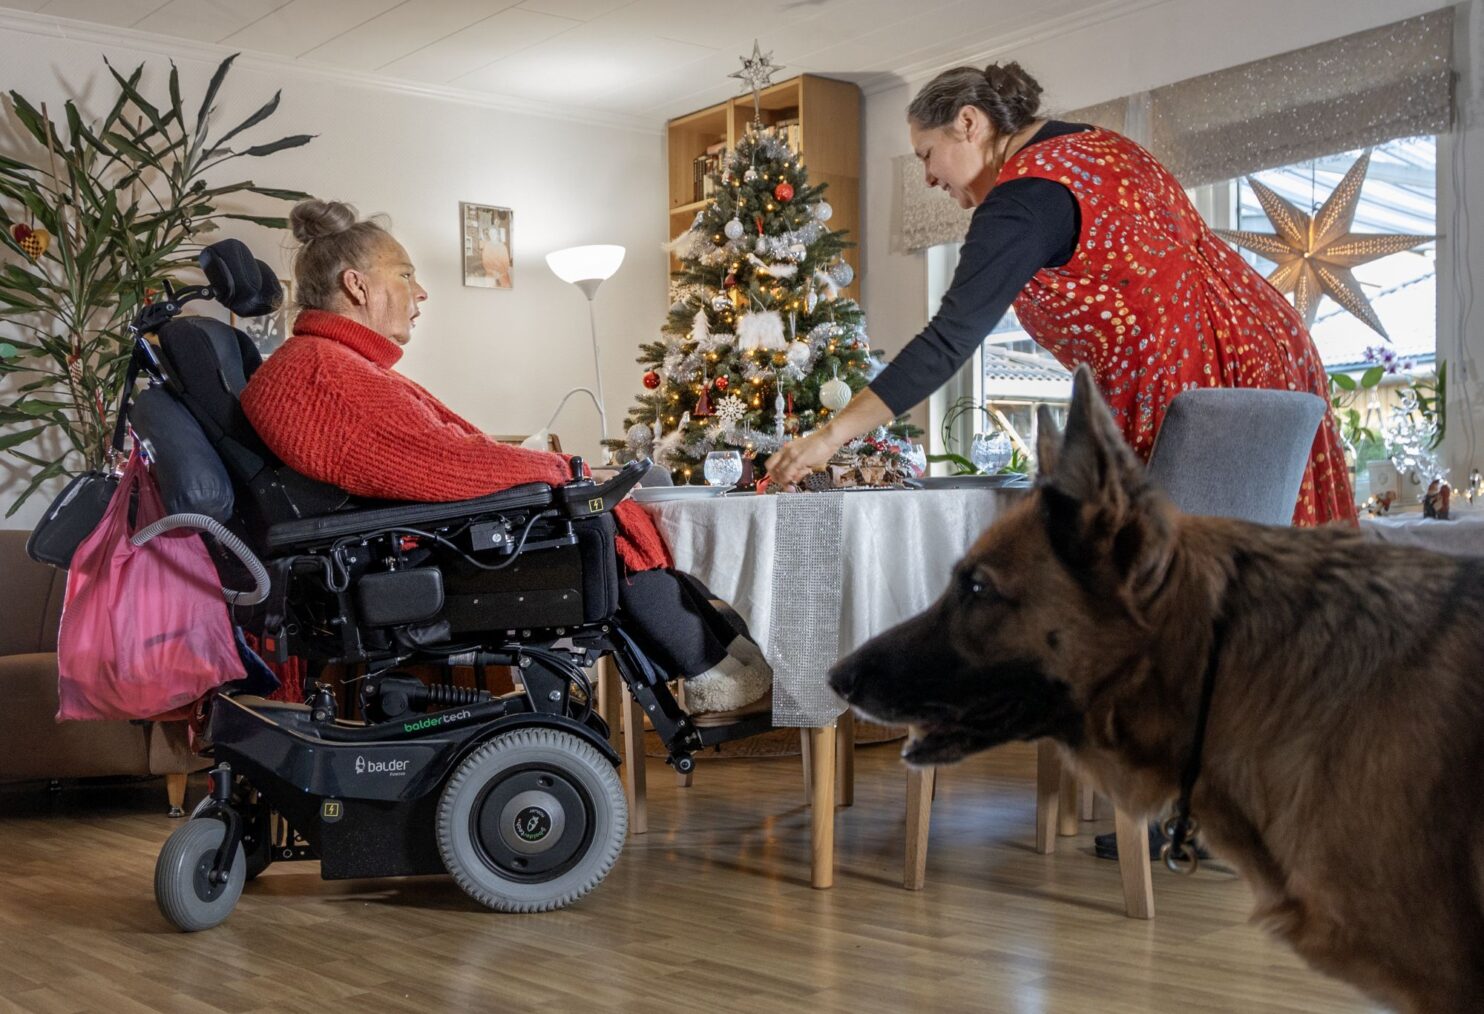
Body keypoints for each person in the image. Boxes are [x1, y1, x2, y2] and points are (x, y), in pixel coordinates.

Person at [768, 62, 1355, 527]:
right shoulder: (1095, 145)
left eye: (926, 154)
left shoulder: (1020, 201)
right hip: (1271, 352)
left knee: (1161, 593)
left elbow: (948, 340)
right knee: (1263, 582)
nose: (926, 177)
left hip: (1193, 387)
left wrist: (829, 437)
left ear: (969, 123)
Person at [240, 200, 769, 716]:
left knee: (592, 504)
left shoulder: (331, 363)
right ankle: (713, 673)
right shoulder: (324, 373)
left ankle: (725, 659)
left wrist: (566, 472)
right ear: (357, 285)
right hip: (411, 556)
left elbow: (436, 457)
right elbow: (440, 464)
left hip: (410, 541)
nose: (420, 292)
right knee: (593, 520)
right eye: (405, 275)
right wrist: (564, 472)